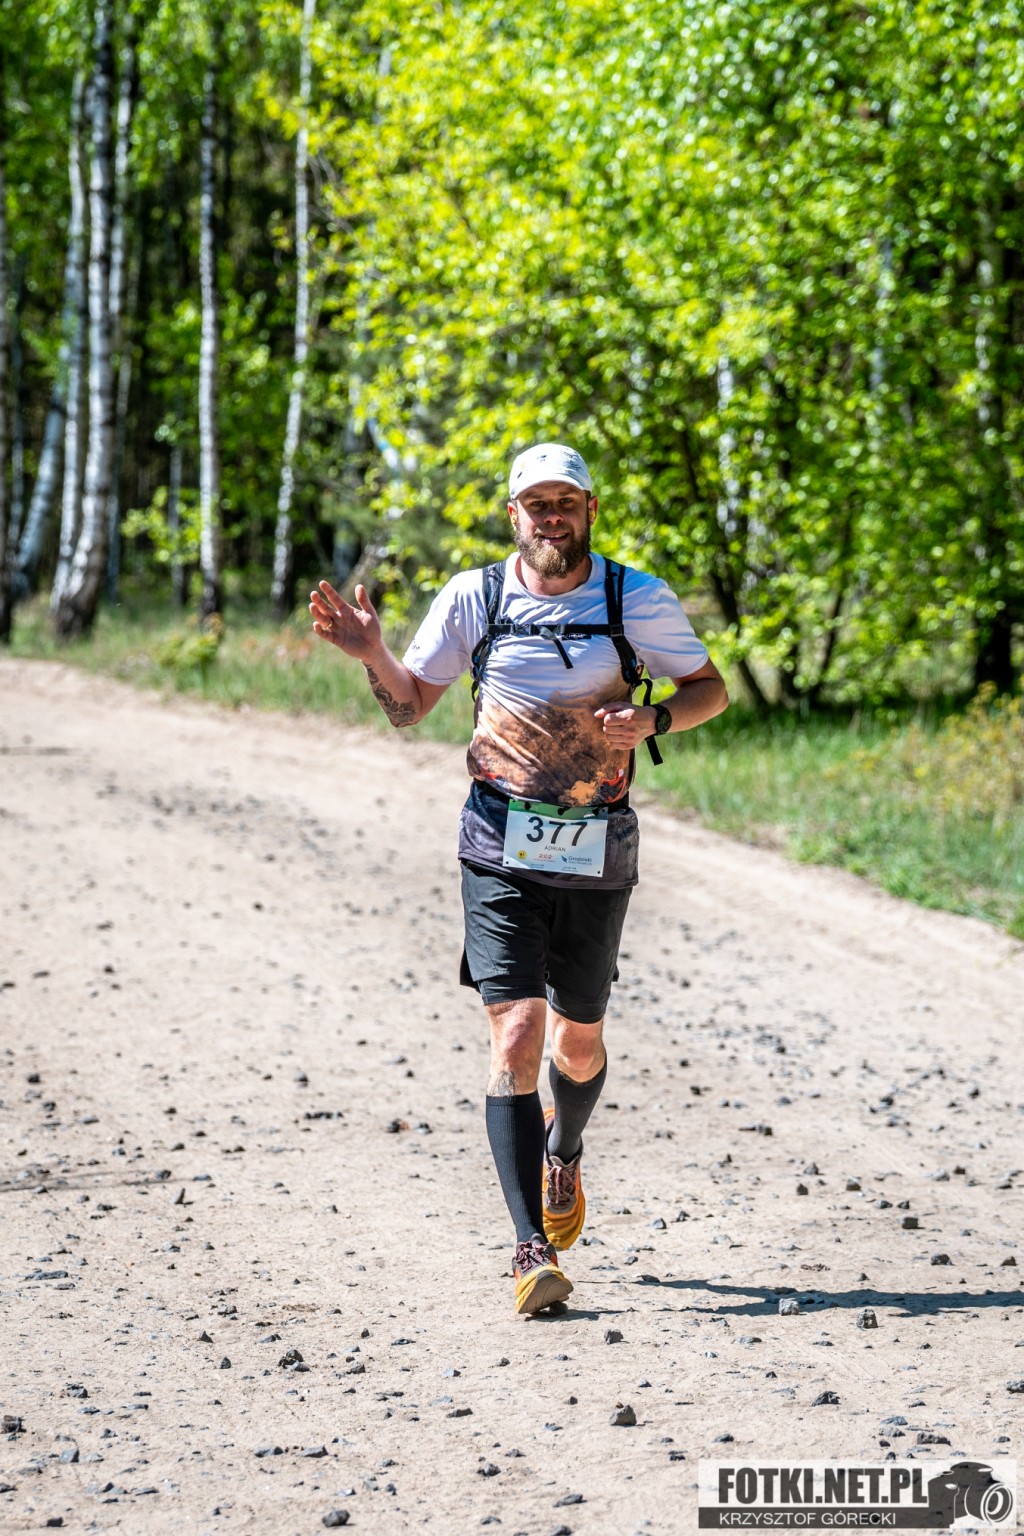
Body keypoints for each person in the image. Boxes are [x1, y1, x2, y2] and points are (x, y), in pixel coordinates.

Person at [309, 443, 728, 1315]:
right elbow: (410, 706)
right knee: (517, 1032)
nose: (551, 518)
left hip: (596, 843)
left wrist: (653, 717)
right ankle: (529, 1249)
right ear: (513, 516)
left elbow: (709, 689)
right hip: (498, 837)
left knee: (579, 1040)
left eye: (565, 503)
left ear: (590, 510)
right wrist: (371, 653)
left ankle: (563, 1151)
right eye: (536, 505)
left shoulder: (633, 597)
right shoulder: (477, 596)